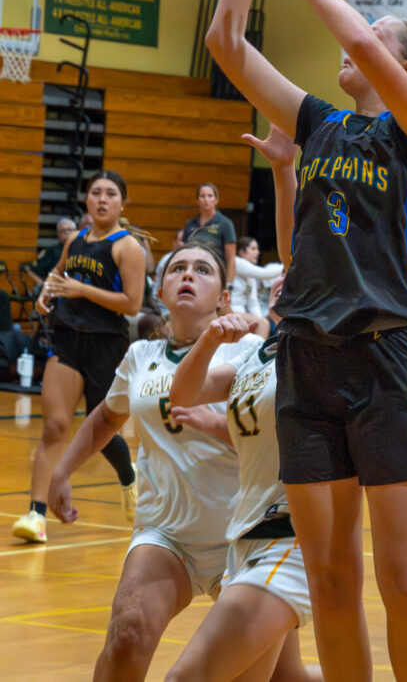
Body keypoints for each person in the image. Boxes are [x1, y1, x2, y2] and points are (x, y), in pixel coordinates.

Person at [205, 0, 407, 682]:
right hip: (305, 356)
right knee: (329, 580)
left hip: (388, 360)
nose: (362, 42)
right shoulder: (322, 125)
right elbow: (225, 42)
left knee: (403, 579)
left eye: (381, 43)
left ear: (406, 72)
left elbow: (358, 38)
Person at [46, 242, 262, 681]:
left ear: (224, 295)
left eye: (203, 269)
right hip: (166, 536)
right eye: (177, 269)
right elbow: (106, 416)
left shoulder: (249, 351)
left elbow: (274, 446)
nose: (188, 275)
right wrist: (62, 470)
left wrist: (213, 425)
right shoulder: (141, 356)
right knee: (128, 631)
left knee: (280, 675)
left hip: (243, 540)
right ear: (160, 291)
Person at [165, 128, 321, 682]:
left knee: (185, 679)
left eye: (294, 275)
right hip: (246, 539)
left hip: (290, 541)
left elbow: (300, 242)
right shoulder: (255, 353)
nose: (284, 280)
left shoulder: (317, 353)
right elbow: (180, 394)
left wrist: (284, 173)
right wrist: (209, 339)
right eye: (281, 279)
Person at [11, 171, 145, 545]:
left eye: (111, 194)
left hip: (106, 346)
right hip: (68, 340)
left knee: (101, 430)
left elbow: (132, 304)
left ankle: (128, 476)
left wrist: (81, 288)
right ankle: (36, 516)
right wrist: (47, 295)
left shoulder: (127, 247)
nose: (102, 199)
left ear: (122, 202)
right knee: (55, 426)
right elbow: (55, 278)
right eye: (96, 193)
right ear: (87, 200)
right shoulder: (75, 241)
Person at [183, 183, 237, 282]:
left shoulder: (225, 223)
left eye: (210, 196)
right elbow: (183, 252)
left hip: (215, 274)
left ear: (216, 200)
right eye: (202, 196)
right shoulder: (190, 223)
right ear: (197, 200)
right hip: (193, 274)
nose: (206, 200)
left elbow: (231, 258)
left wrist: (229, 283)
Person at [230, 235, 284, 317]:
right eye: (253, 249)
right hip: (230, 311)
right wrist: (288, 265)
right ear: (241, 251)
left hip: (242, 315)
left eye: (257, 249)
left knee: (263, 323)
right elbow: (264, 273)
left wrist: (260, 320)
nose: (257, 252)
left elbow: (253, 303)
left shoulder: (251, 276)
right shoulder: (236, 262)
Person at [24, 217, 77, 290]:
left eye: (70, 230)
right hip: (56, 289)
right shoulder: (52, 251)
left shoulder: (82, 249)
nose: (67, 233)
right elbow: (30, 270)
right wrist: (43, 285)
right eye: (63, 230)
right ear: (58, 234)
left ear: (76, 232)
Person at [153, 228, 186, 294]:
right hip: (160, 301)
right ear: (174, 242)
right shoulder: (168, 260)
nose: (185, 243)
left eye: (187, 239)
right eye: (182, 240)